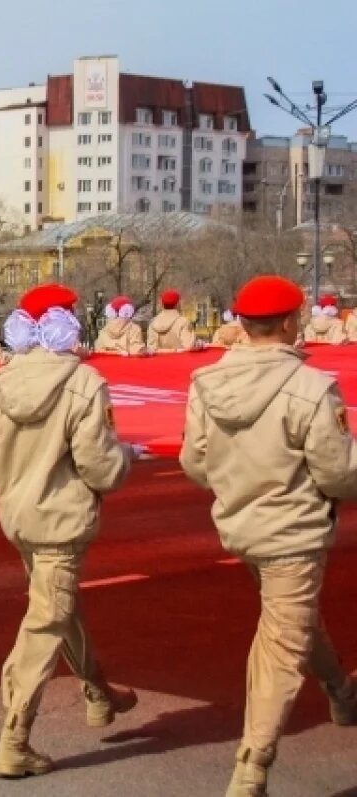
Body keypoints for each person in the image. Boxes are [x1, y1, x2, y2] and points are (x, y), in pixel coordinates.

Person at [179, 275, 357, 797]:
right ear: (288, 322)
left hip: (240, 526)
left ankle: (341, 690)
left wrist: (238, 483)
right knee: (282, 642)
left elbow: (195, 461)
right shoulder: (311, 389)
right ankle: (252, 767)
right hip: (293, 531)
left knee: (296, 622)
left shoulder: (206, 383)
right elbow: (338, 474)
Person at [0, 283, 138, 779]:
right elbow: (100, 467)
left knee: (59, 608)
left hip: (19, 517)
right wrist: (127, 457)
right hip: (61, 520)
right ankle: (15, 737)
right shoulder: (84, 383)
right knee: (47, 621)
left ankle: (98, 691)